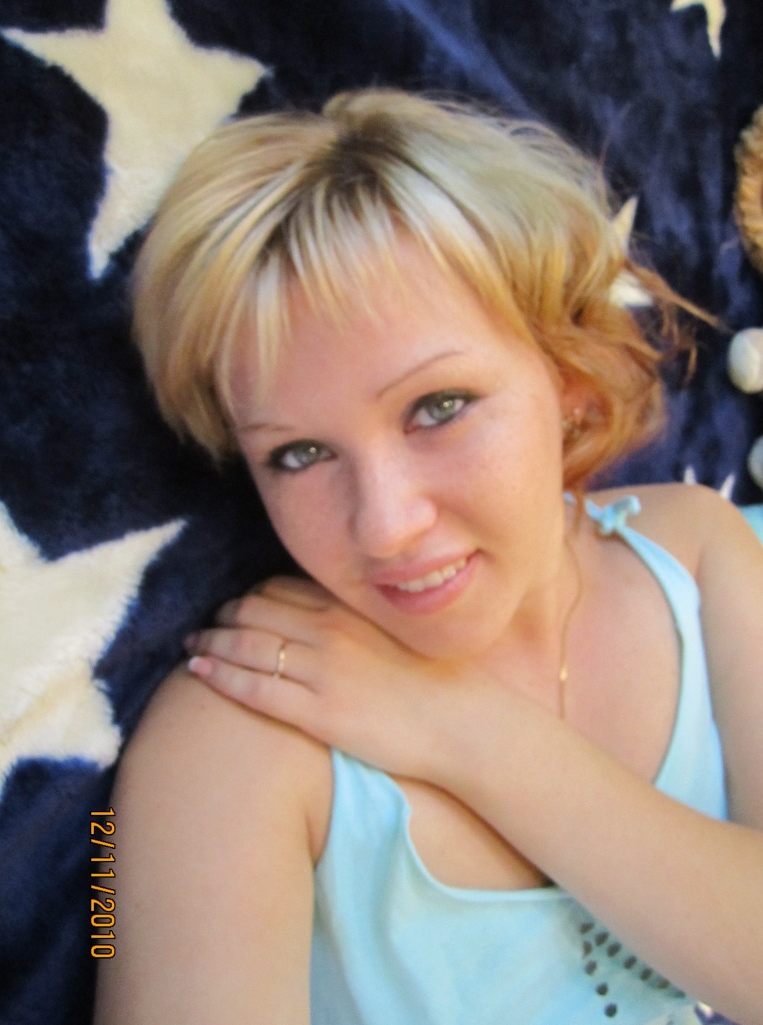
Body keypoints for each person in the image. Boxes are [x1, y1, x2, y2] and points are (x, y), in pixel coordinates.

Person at [93, 89, 763, 1025]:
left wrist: (465, 728)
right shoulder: (234, 729)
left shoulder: (697, 548)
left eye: (438, 407)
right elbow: (109, 921)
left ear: (569, 375)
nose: (386, 527)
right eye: (300, 454)